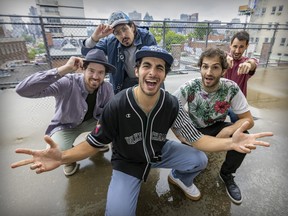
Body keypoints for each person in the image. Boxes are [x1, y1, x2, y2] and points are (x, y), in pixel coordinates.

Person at [11, 45, 273, 216]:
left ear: (165, 75)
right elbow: (94, 142)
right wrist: (63, 157)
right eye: (146, 65)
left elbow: (195, 138)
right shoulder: (116, 103)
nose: (153, 71)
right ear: (136, 71)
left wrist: (230, 143)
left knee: (198, 159)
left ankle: (180, 178)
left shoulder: (170, 103)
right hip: (128, 163)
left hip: (160, 153)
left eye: (160, 67)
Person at [173, 47, 257, 204]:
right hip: (193, 129)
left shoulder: (231, 87)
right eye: (205, 66)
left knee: (243, 137)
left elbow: (248, 120)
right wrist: (179, 133)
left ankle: (227, 174)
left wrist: (229, 129)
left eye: (215, 67)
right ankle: (185, 173)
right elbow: (169, 108)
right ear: (200, 68)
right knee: (194, 162)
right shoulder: (190, 86)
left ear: (224, 70)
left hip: (218, 127)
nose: (209, 72)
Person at [15, 49, 116, 176]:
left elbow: (109, 116)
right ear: (83, 69)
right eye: (91, 70)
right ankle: (69, 160)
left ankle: (93, 141)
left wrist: (98, 135)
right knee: (54, 151)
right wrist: (64, 69)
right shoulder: (68, 82)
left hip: (92, 122)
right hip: (66, 125)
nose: (96, 76)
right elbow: (22, 90)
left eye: (100, 72)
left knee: (111, 129)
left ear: (105, 74)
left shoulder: (107, 88)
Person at [81, 10, 157, 94]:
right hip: (122, 84)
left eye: (124, 29)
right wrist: (94, 38)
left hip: (145, 80)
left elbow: (154, 64)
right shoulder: (111, 42)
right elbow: (87, 53)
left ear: (132, 26)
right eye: (117, 33)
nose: (123, 35)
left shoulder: (147, 37)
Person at [224, 30, 259, 122]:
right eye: (235, 46)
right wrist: (223, 60)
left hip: (237, 103)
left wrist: (249, 64)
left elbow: (253, 62)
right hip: (219, 100)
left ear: (246, 47)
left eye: (241, 47)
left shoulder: (246, 62)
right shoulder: (223, 58)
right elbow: (217, 55)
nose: (237, 51)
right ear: (230, 45)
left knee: (240, 126)